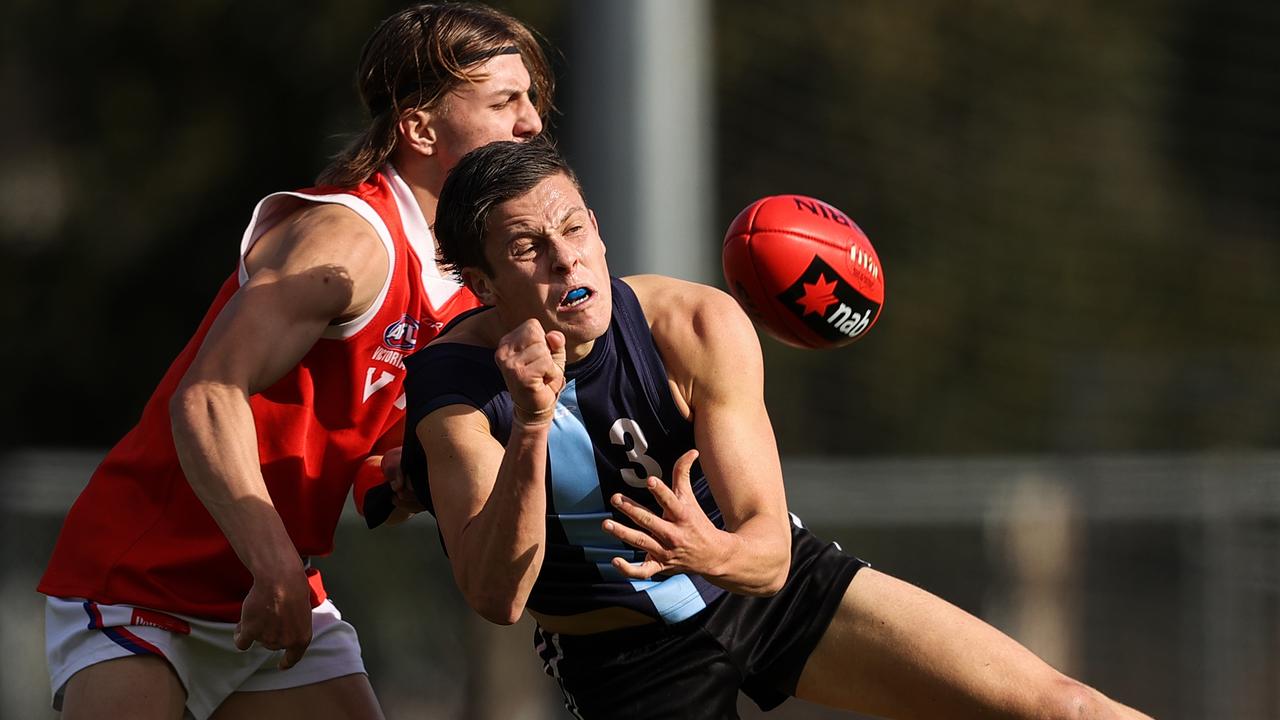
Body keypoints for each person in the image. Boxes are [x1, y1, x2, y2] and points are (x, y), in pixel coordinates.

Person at [394, 138, 1152, 720]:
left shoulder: (692, 324)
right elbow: (495, 595)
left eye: (572, 227)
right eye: (529, 248)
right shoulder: (453, 387)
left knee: (1063, 707)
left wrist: (706, 549)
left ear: (595, 225)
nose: (566, 259)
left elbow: (767, 555)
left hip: (771, 597)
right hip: (621, 661)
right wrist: (530, 424)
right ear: (484, 284)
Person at [36, 4, 553, 719]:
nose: (531, 122)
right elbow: (207, 396)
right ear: (420, 127)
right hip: (145, 583)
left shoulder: (467, 285)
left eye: (532, 99)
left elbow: (364, 436)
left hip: (272, 588)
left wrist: (398, 473)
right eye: (506, 101)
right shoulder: (347, 242)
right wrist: (273, 561)